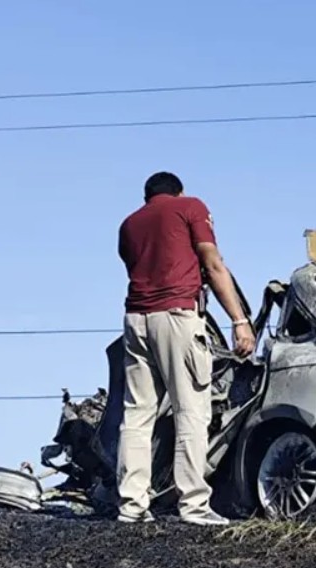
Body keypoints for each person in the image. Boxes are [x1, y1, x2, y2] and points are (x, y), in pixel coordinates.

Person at [116, 172, 255, 525]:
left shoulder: (129, 225)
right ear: (179, 191)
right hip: (178, 316)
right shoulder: (191, 207)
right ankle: (193, 504)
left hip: (135, 319)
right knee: (191, 410)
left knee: (136, 415)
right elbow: (212, 262)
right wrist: (239, 320)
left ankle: (131, 506)